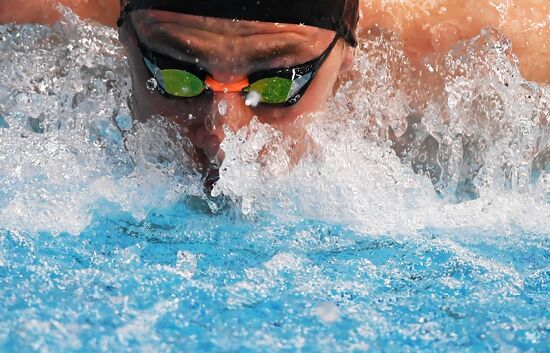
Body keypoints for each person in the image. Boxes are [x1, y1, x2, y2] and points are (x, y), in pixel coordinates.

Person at [1, 0, 549, 177]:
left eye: (279, 83)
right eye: (176, 77)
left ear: (350, 52)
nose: (221, 134)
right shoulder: (34, 19)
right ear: (120, 37)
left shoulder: (488, 53)